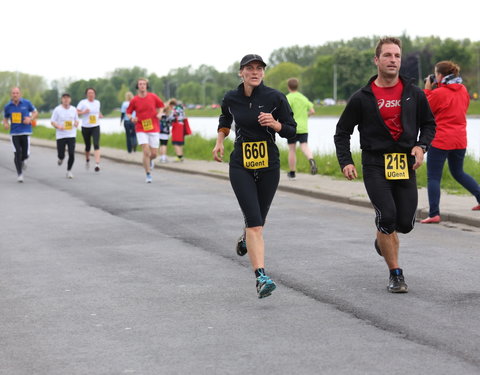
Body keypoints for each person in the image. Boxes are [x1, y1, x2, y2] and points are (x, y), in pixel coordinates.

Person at [334, 37, 436, 293]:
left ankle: (383, 237)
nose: (393, 60)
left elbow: (429, 124)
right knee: (387, 217)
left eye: (397, 56)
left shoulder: (414, 93)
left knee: (405, 224)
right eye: (388, 55)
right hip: (374, 164)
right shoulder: (362, 97)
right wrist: (345, 161)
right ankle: (396, 274)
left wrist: (421, 146)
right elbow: (342, 131)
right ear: (376, 60)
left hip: (404, 163)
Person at [212, 54, 297, 299]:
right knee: (256, 224)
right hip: (241, 165)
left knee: (258, 221)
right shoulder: (231, 97)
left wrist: (275, 124)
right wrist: (220, 141)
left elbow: (291, 129)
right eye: (250, 68)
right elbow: (225, 118)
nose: (255, 72)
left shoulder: (275, 98)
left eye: (259, 68)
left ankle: (246, 236)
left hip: (269, 164)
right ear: (241, 73)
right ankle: (261, 277)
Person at [420, 61, 480, 223]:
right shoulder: (463, 90)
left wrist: (427, 88)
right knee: (458, 172)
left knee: (433, 177)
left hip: (441, 139)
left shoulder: (439, 93)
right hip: (460, 139)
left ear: (440, 75)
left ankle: (434, 214)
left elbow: (425, 108)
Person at [126, 78, 165, 183]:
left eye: (144, 84)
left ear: (146, 86)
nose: (142, 86)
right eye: (140, 84)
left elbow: (161, 106)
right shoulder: (134, 100)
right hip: (140, 128)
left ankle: (150, 161)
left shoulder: (153, 96)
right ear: (137, 86)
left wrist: (160, 113)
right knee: (146, 151)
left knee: (154, 154)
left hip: (154, 127)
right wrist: (131, 118)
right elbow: (128, 112)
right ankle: (148, 174)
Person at [3, 87, 38, 182]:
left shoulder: (27, 103)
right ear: (11, 94)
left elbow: (35, 112)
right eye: (13, 93)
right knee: (17, 153)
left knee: (25, 154)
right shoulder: (8, 106)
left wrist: (30, 119)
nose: (15, 95)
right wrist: (5, 124)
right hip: (14, 133)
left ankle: (24, 160)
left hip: (25, 132)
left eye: (17, 93)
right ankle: (20, 174)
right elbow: (5, 118)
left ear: (20, 94)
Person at [286, 78, 317, 179]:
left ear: (288, 87)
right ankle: (311, 159)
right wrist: (305, 116)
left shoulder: (288, 98)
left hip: (292, 127)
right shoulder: (303, 98)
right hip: (303, 127)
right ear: (297, 86)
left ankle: (292, 172)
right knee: (304, 146)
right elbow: (312, 111)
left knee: (292, 149)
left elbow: (285, 111)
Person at [51, 93, 79, 179]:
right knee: (61, 154)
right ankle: (61, 159)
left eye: (67, 98)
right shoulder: (57, 110)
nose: (66, 100)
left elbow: (76, 120)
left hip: (71, 134)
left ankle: (69, 171)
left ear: (70, 100)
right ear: (61, 100)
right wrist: (58, 126)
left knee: (71, 153)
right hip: (61, 135)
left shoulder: (74, 109)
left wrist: (76, 123)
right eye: (64, 98)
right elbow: (52, 121)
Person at [77, 88, 102, 172]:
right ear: (86, 94)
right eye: (89, 93)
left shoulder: (97, 102)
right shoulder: (82, 102)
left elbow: (97, 111)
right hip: (86, 127)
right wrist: (84, 112)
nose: (91, 94)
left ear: (95, 94)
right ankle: (87, 159)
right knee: (87, 146)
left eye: (92, 93)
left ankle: (97, 164)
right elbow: (76, 112)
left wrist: (100, 114)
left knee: (96, 144)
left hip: (95, 126)